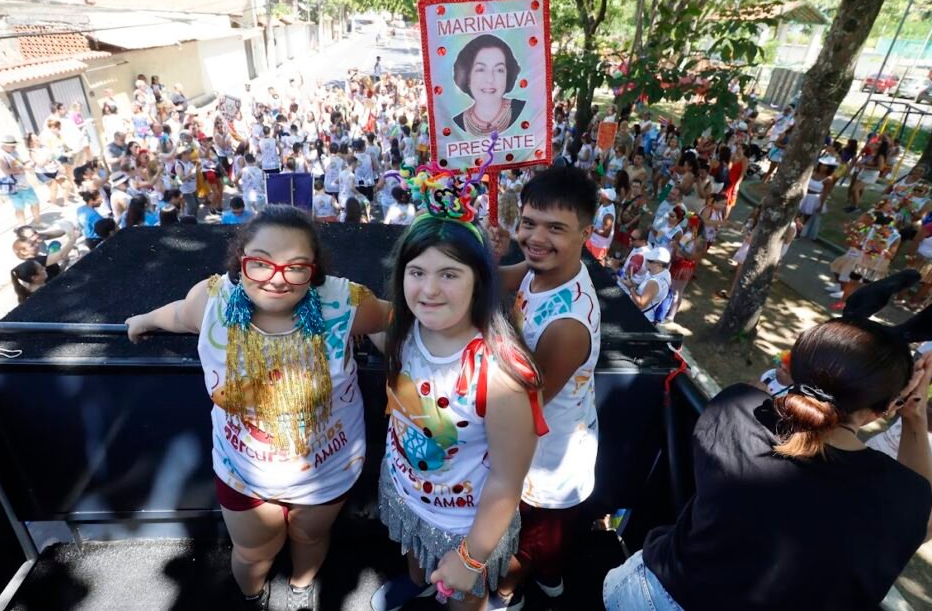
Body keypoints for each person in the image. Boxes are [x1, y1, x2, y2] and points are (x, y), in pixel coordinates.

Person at [126, 205, 388, 610]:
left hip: (328, 469)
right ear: (240, 263)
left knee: (311, 537)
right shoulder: (212, 302)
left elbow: (398, 317)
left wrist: (392, 350)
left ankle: (301, 591)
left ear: (314, 271)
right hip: (243, 472)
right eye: (260, 264)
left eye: (296, 266)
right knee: (252, 553)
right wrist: (142, 319)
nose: (277, 279)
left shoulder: (345, 304)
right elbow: (178, 314)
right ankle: (253, 597)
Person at [606, 317, 932, 610]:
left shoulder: (737, 406)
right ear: (886, 408)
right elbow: (931, 508)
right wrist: (914, 414)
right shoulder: (902, 496)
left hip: (645, 593)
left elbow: (771, 401)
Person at [370, 213, 546, 611]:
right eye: (417, 272)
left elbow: (506, 481)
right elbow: (356, 313)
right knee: (416, 559)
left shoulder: (502, 378)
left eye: (449, 274)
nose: (429, 289)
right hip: (407, 489)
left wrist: (470, 558)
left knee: (465, 600)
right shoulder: (403, 327)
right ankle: (418, 584)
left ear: (479, 281)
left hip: (465, 525)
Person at [492, 167, 601, 609]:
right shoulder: (541, 271)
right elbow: (504, 279)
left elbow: (525, 402)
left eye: (556, 228)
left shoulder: (568, 325)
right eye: (529, 222)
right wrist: (486, 255)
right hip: (536, 447)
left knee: (520, 548)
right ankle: (551, 577)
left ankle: (508, 595)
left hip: (549, 463)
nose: (537, 238)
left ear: (586, 233)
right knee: (545, 545)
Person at [451, 35, 526, 137]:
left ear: (507, 76)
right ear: (467, 77)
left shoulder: (524, 111)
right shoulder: (455, 124)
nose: (490, 79)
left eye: (499, 70)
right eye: (481, 69)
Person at [0, 134, 41, 227]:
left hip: (24, 183)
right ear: (4, 145)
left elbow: (21, 163)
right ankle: (23, 227)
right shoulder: (0, 157)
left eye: (14, 144)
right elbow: (6, 171)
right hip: (13, 187)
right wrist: (24, 168)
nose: (14, 146)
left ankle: (37, 223)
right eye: (12, 145)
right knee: (19, 208)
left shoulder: (14, 152)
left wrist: (29, 164)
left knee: (35, 202)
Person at [622, 246, 672, 323]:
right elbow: (644, 288)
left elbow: (641, 304)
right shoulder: (665, 273)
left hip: (640, 318)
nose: (645, 262)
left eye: (649, 261)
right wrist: (633, 283)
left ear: (659, 264)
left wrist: (630, 287)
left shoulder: (654, 282)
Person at [586, 187, 616, 263]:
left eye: (601, 194)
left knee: (594, 264)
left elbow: (606, 234)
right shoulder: (604, 204)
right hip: (592, 240)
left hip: (599, 245)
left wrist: (592, 228)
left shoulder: (608, 215)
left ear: (605, 197)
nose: (599, 195)